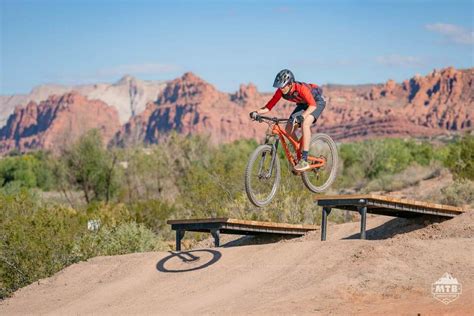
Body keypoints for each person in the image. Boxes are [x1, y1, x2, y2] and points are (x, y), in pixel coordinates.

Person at [249, 69, 326, 172]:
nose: (281, 89)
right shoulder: (280, 91)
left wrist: (302, 117)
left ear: (290, 83)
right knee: (288, 128)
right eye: (279, 86)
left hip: (316, 103)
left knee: (305, 123)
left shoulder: (301, 88)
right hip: (303, 105)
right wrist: (256, 112)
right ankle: (299, 149)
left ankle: (304, 159)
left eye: (283, 86)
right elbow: (269, 106)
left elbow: (312, 106)